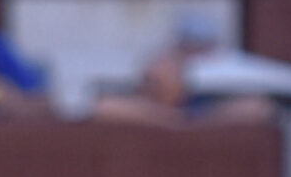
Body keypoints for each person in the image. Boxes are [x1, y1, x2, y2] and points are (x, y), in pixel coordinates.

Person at [89, 10, 273, 127]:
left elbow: (259, 108)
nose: (153, 86)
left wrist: (192, 120)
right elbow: (104, 108)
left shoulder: (200, 102)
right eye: (151, 81)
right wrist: (170, 119)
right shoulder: (142, 107)